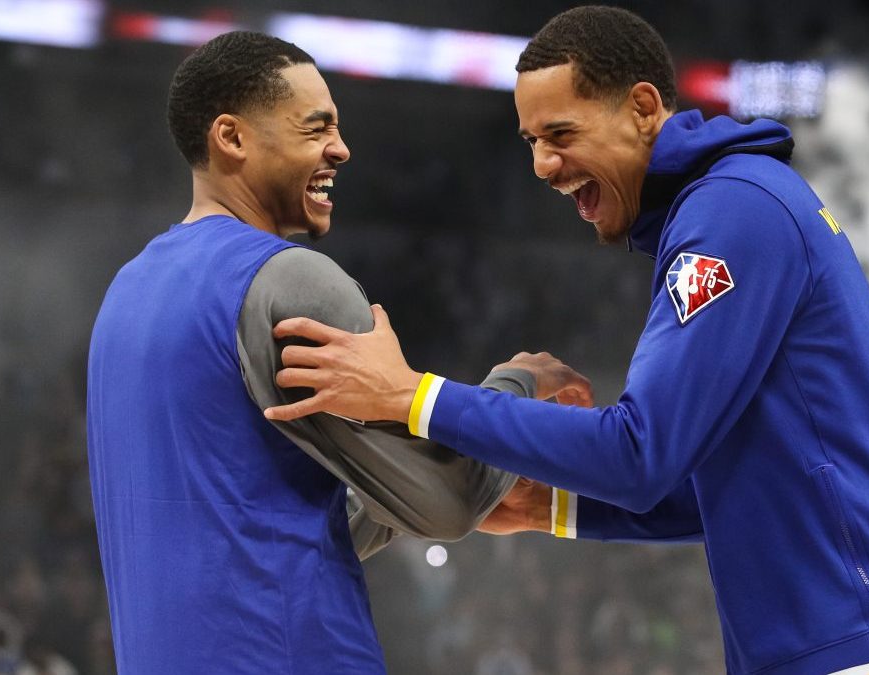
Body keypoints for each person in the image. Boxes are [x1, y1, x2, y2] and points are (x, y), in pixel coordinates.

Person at [263, 7, 869, 675]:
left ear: (643, 109)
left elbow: (638, 454)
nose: (542, 165)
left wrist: (411, 396)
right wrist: (554, 507)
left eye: (561, 134)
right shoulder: (728, 207)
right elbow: (725, 493)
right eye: (531, 142)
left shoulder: (730, 215)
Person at [85, 31, 576, 673]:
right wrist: (518, 388)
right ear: (231, 137)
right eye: (316, 128)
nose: (341, 149)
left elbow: (270, 532)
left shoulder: (126, 292)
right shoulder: (290, 280)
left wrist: (392, 494)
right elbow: (450, 501)